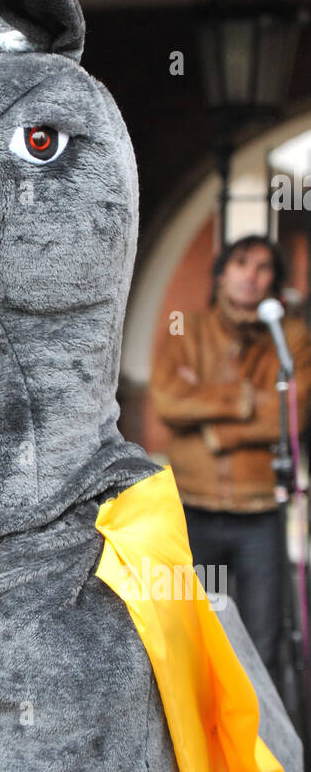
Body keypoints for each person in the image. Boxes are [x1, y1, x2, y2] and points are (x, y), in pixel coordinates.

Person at [150, 235, 311, 679]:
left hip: (260, 514)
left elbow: (292, 414)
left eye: (263, 268)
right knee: (191, 633)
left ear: (273, 284)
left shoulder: (291, 337)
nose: (251, 275)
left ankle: (260, 744)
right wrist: (244, 399)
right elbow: (167, 401)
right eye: (241, 263)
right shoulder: (185, 326)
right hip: (194, 510)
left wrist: (212, 426)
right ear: (221, 273)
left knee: (263, 643)